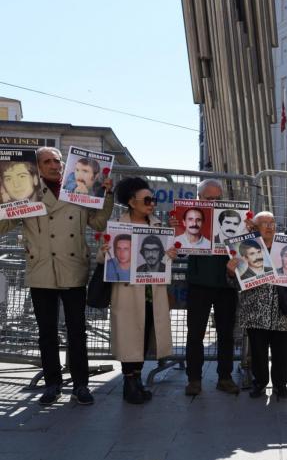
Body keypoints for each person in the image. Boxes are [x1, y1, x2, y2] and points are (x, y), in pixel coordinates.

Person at [0, 146, 113, 406]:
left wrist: (107, 194)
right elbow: (3, 226)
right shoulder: (25, 193)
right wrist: (3, 201)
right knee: (47, 332)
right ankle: (52, 384)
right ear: (36, 166)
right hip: (41, 270)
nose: (54, 165)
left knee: (77, 331)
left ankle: (81, 385)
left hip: (73, 268)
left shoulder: (79, 190)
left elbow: (98, 223)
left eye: (58, 161)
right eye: (48, 161)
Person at [102, 177, 175, 404]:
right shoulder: (116, 226)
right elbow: (102, 260)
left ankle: (137, 380)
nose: (151, 204)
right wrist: (104, 251)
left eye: (153, 200)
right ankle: (129, 383)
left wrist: (171, 255)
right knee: (128, 338)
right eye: (147, 200)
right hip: (126, 292)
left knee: (143, 338)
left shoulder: (159, 227)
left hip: (152, 292)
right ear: (132, 202)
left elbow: (164, 260)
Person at [173, 179, 240, 397]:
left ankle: (225, 377)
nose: (213, 203)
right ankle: (194, 379)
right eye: (209, 199)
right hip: (198, 285)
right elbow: (179, 250)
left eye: (217, 199)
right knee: (195, 335)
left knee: (226, 335)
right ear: (199, 198)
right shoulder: (192, 219)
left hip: (226, 286)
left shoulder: (231, 221)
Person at [231, 211, 287, 400]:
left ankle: (280, 385)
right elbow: (236, 284)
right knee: (258, 351)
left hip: (282, 310)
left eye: (272, 222)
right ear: (255, 227)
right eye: (264, 223)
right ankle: (259, 383)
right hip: (254, 310)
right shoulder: (245, 248)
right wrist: (231, 273)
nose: (269, 226)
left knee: (281, 352)